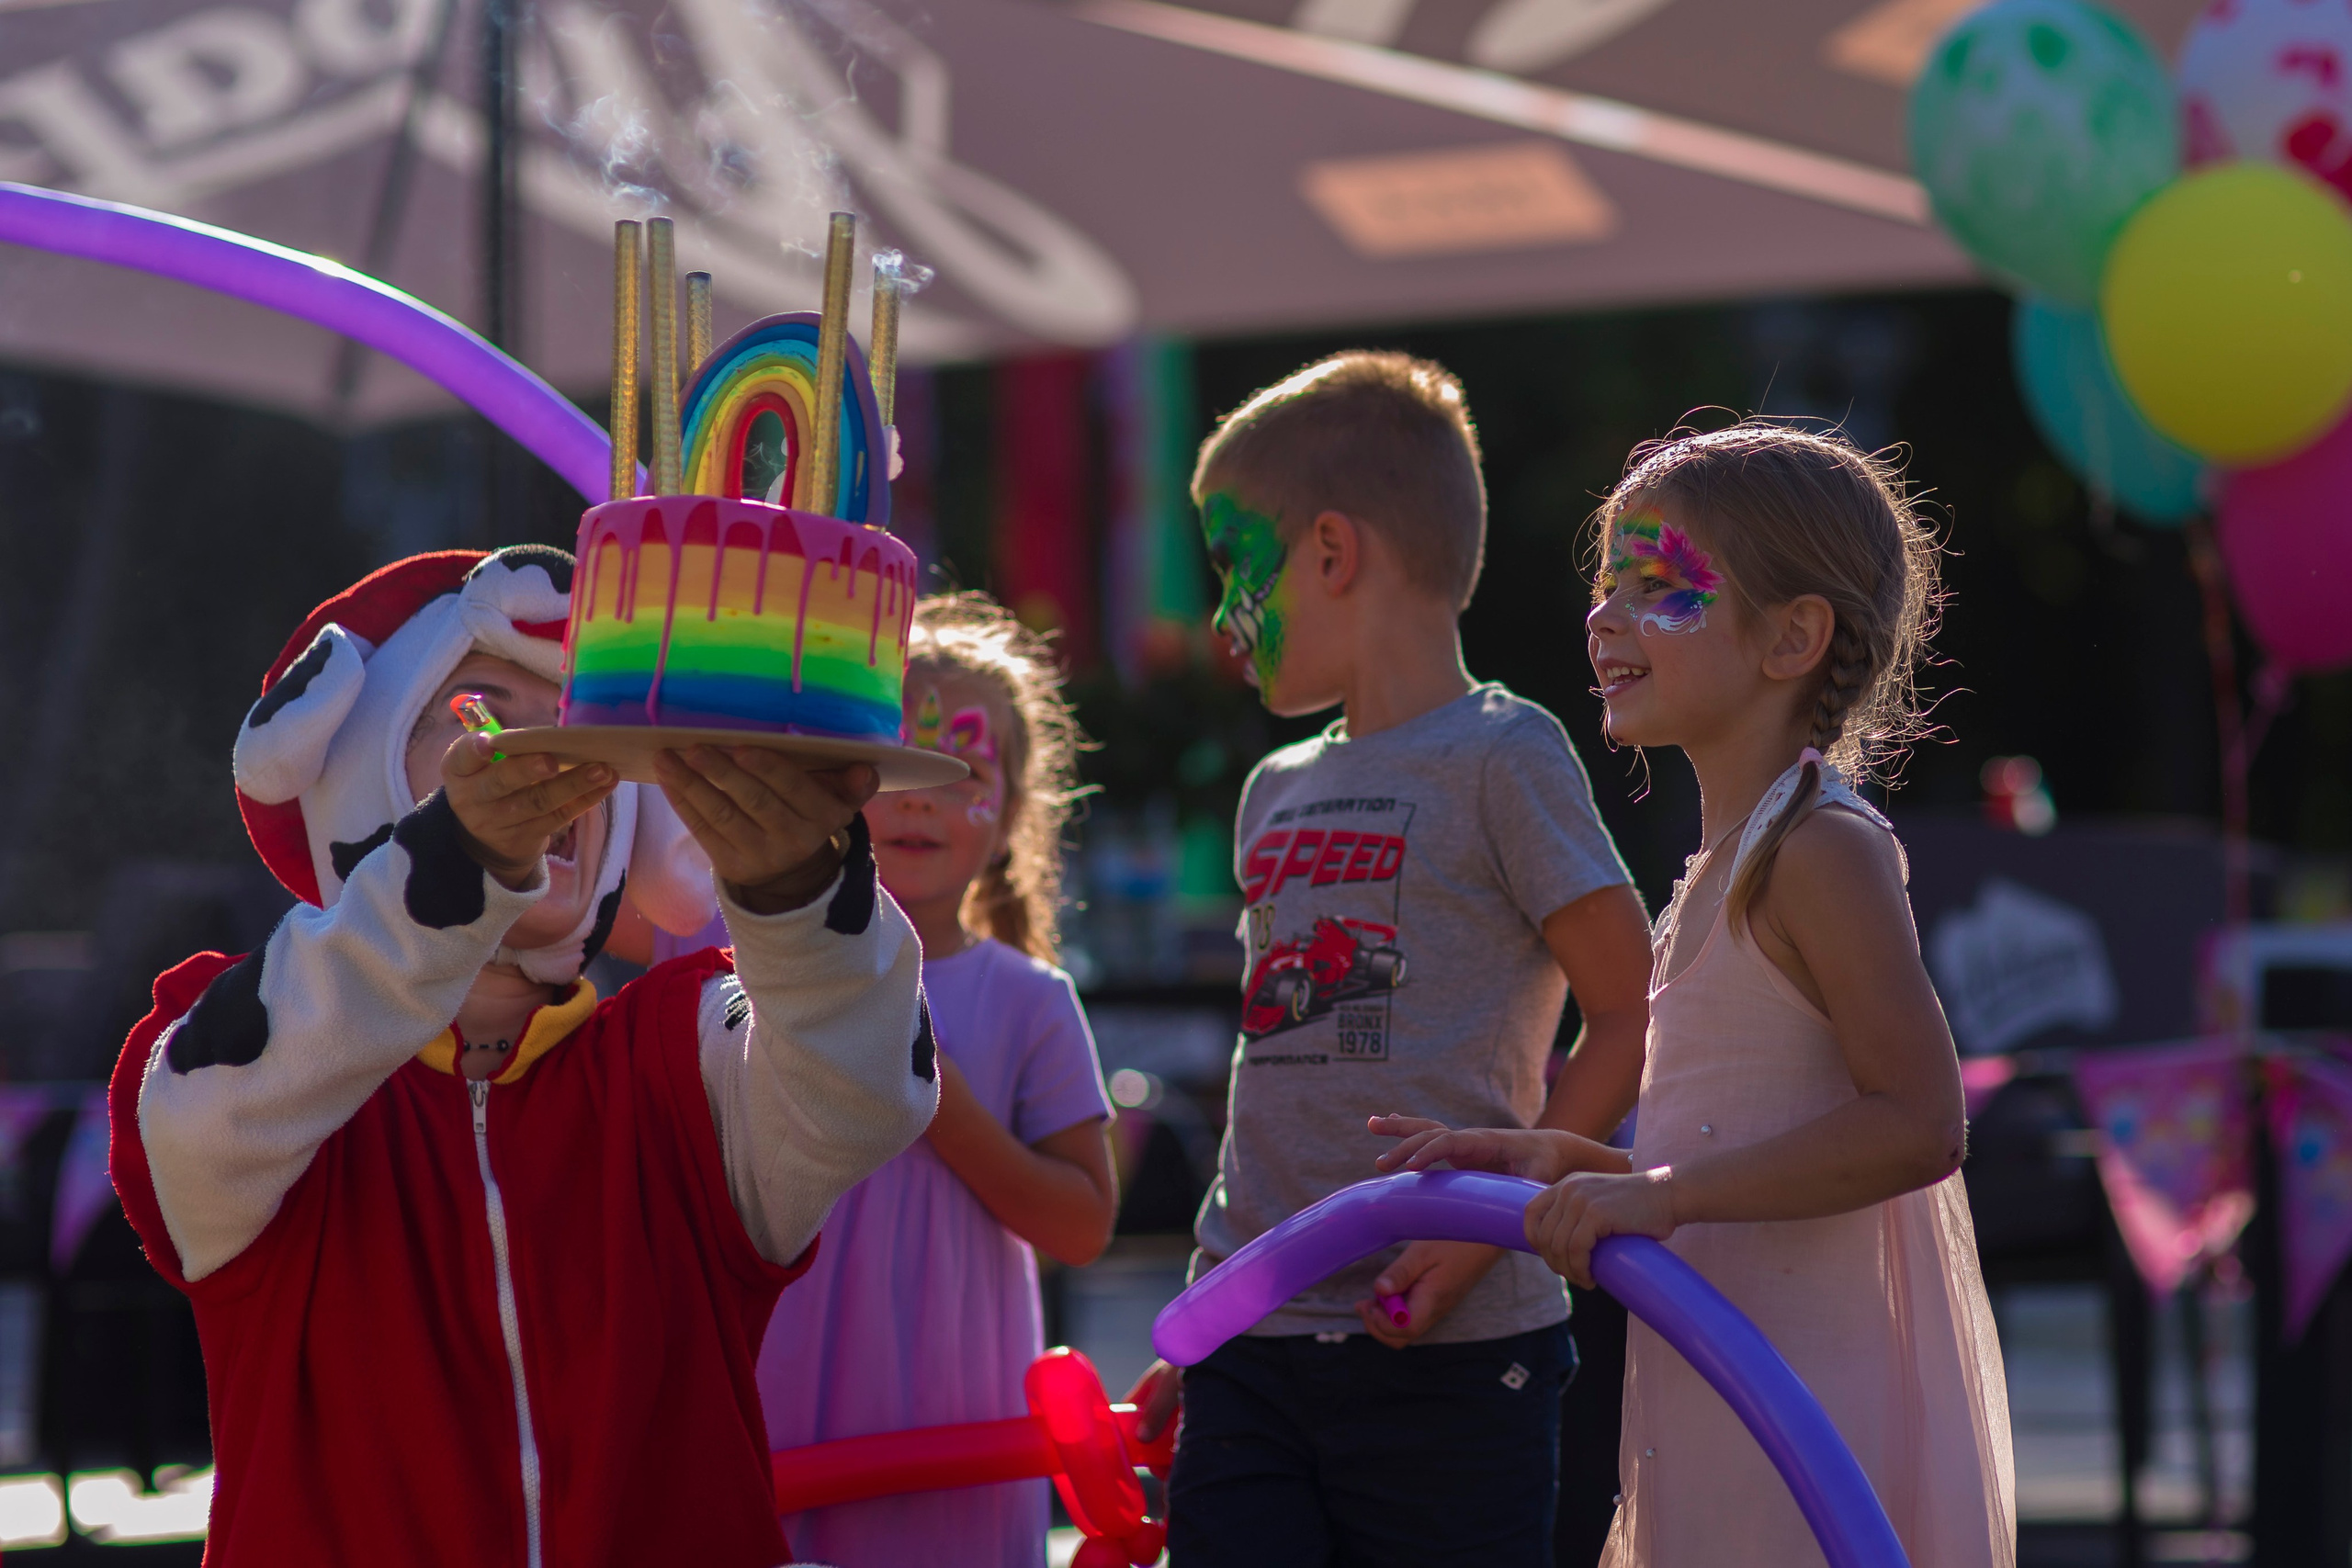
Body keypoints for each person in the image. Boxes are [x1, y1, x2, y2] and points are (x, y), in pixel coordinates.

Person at [107, 546, 939, 1568]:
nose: (560, 768)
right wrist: (452, 871)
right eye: (483, 716)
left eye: (591, 737)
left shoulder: (686, 1052)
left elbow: (861, 1093)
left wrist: (800, 892)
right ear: (361, 764)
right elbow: (212, 1112)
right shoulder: (234, 1050)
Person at [1377, 423, 2016, 1568]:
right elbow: (1748, 1160)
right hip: (1721, 1399)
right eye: (1605, 584)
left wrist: (1659, 1193)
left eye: (1658, 587)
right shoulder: (1716, 874)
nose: (1603, 615)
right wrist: (1579, 1165)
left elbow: (1920, 1123)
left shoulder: (1817, 849)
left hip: (1806, 1415)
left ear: (1791, 638)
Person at [1126, 351, 1656, 1567]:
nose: (1221, 617)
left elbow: (1631, 1009)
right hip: (1254, 1344)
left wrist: (1490, 1228)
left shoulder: (1504, 754)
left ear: (1329, 551)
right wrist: (1207, 1319)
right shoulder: (1271, 791)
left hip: (1457, 1351)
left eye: (1232, 569)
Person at [761, 592, 1118, 1568]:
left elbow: (1083, 1225)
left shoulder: (1033, 1002)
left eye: (958, 765)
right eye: (892, 761)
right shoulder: (747, 966)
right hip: (780, 1418)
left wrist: (942, 1108)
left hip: (958, 1438)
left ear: (1007, 815)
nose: (919, 795)